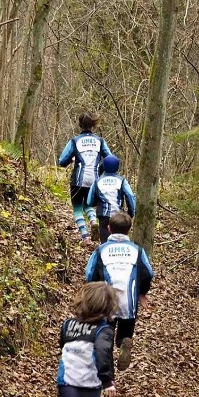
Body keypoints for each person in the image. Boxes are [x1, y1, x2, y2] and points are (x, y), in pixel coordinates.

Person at [85, 212, 154, 371]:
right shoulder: (138, 251)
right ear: (129, 230)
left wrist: (91, 293)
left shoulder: (100, 250)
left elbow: (89, 273)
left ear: (109, 229)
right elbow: (148, 273)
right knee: (124, 333)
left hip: (105, 301)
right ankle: (124, 343)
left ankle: (107, 373)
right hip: (129, 302)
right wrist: (142, 292)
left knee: (104, 336)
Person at [58, 112, 112, 245]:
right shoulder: (100, 141)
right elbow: (110, 159)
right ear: (92, 126)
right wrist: (100, 170)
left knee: (77, 207)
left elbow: (62, 161)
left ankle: (85, 237)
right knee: (88, 205)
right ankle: (93, 222)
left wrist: (72, 159)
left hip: (78, 180)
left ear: (80, 125)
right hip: (94, 180)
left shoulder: (75, 141)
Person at [87, 154, 136, 243]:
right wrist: (131, 213)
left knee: (105, 244)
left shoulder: (97, 182)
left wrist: (96, 202)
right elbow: (130, 196)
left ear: (104, 166)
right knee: (120, 243)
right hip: (119, 218)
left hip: (104, 217)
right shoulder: (122, 181)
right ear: (117, 167)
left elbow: (89, 201)